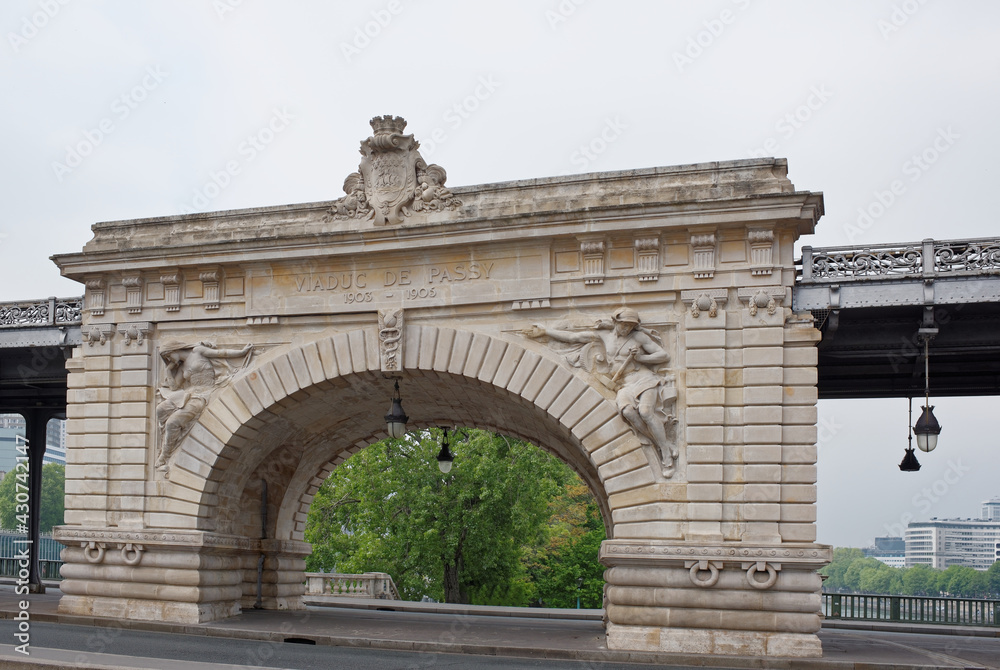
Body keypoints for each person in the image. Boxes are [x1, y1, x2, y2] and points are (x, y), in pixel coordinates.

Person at [524, 308, 679, 477]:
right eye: (624, 325)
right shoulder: (604, 336)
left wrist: (641, 358)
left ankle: (664, 451)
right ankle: (662, 443)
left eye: (629, 326)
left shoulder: (638, 338)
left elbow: (663, 355)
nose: (626, 329)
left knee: (645, 412)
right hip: (624, 384)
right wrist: (546, 331)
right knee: (627, 411)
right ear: (615, 322)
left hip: (643, 379)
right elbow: (574, 337)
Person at [155, 340, 252, 469]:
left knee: (172, 423)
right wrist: (168, 371)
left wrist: (241, 352)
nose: (169, 359)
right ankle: (165, 442)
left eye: (168, 356)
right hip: (190, 393)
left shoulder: (198, 351)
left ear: (174, 350)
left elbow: (221, 353)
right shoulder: (182, 367)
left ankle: (164, 457)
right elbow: (174, 387)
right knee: (160, 409)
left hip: (204, 394)